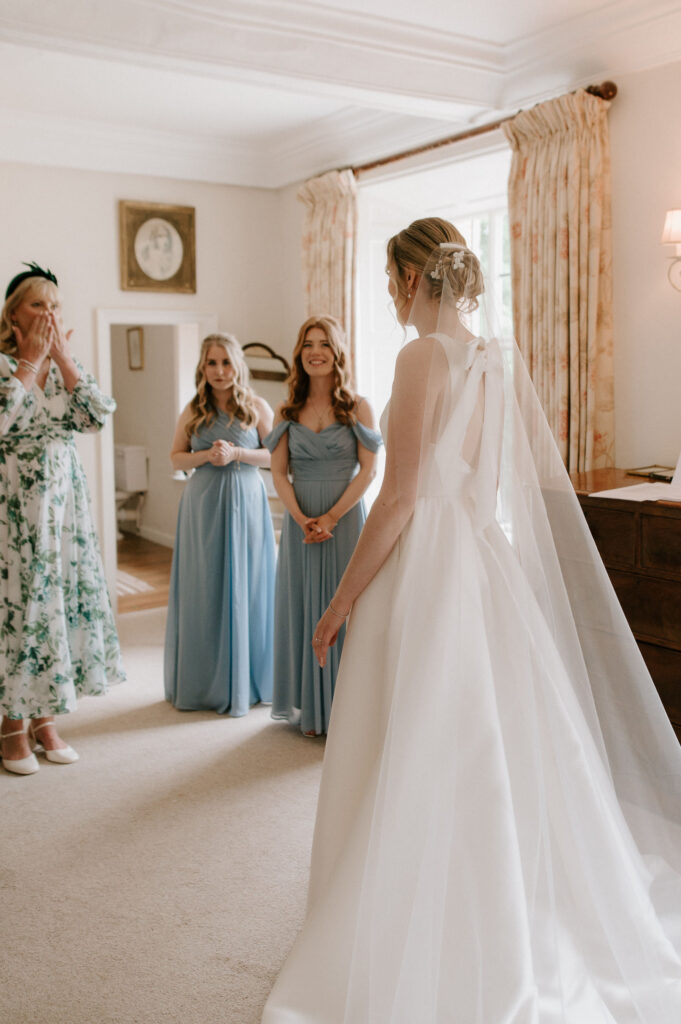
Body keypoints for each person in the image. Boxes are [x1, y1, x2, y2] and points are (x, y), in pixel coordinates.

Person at [262, 220, 681, 1022]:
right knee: (484, 739)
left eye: (391, 279)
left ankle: (417, 909)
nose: (390, 295)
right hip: (483, 561)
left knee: (415, 731)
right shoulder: (504, 359)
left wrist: (342, 598)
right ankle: (494, 897)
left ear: (416, 278)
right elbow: (510, 480)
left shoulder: (423, 357)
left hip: (427, 565)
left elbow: (401, 496)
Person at [0, 262, 125, 776]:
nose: (48, 313)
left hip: (63, 510)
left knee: (56, 608)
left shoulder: (64, 361)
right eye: (37, 304)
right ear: (12, 314)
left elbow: (96, 416)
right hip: (13, 507)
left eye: (54, 305)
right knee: (19, 609)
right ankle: (11, 720)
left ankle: (44, 719)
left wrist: (63, 359)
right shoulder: (6, 365)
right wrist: (28, 364)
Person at [264, 315, 381, 736]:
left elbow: (368, 472)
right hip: (301, 522)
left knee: (347, 609)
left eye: (325, 344)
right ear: (299, 353)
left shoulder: (357, 406)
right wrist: (302, 519)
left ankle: (346, 709)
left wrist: (330, 517)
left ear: (338, 353)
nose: (316, 351)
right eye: (308, 343)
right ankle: (311, 708)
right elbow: (279, 472)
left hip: (345, 520)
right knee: (304, 607)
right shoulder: (286, 409)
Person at [164, 333, 276, 716]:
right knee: (205, 587)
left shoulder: (256, 406)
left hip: (246, 503)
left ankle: (250, 680)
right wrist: (205, 457)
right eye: (212, 363)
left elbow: (276, 458)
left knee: (250, 585)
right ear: (203, 367)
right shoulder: (193, 410)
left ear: (237, 365)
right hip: (203, 506)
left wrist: (237, 453)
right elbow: (176, 459)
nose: (219, 371)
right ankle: (203, 682)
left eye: (226, 362)